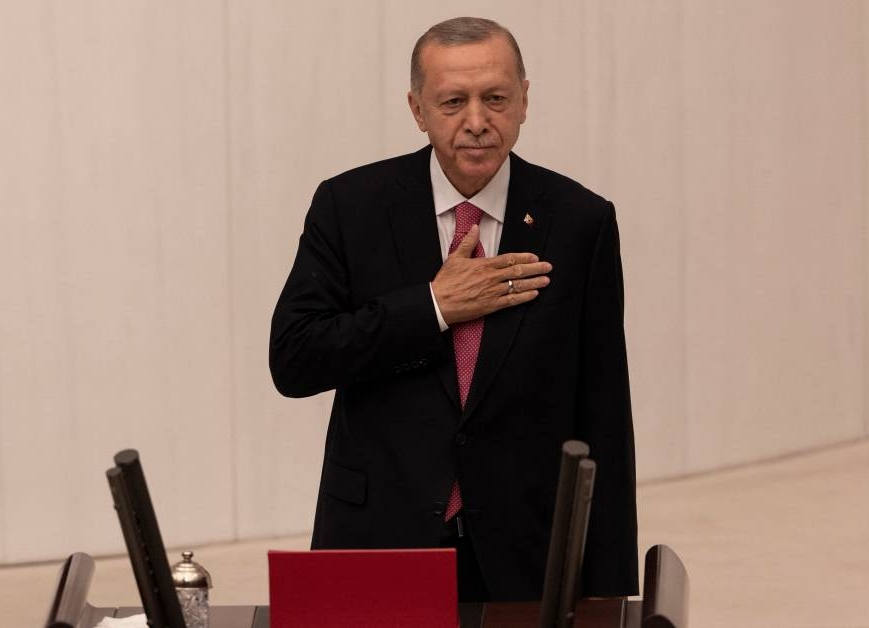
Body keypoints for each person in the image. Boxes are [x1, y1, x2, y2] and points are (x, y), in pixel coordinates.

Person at [269, 16, 637, 601]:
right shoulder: (350, 206)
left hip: (526, 550)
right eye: (452, 101)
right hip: (380, 536)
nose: (477, 121)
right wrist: (433, 306)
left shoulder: (580, 221)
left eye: (496, 98)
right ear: (417, 110)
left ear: (524, 101)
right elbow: (295, 359)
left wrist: (611, 596)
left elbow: (604, 417)